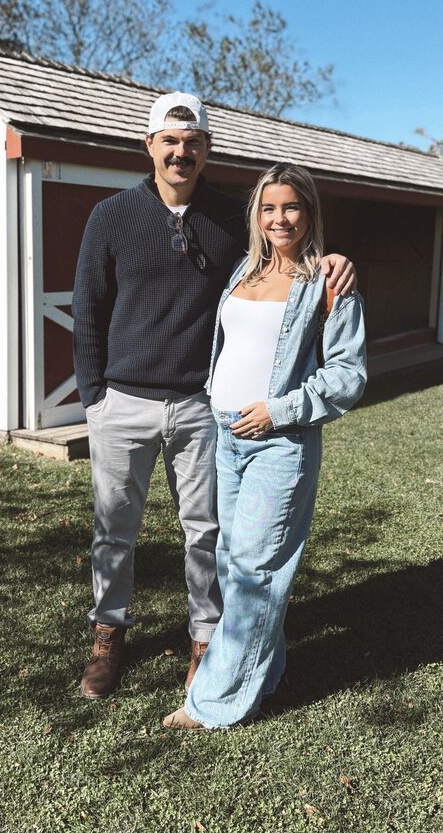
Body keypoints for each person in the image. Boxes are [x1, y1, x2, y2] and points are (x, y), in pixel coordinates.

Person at [72, 94, 357, 700]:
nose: (181, 151)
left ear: (206, 149)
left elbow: (284, 251)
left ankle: (208, 639)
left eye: (192, 141)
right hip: (122, 401)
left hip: (204, 407)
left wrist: (332, 259)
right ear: (149, 146)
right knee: (114, 529)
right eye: (169, 141)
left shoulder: (233, 218)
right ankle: (108, 635)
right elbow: (89, 312)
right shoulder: (111, 216)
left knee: (205, 532)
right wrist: (95, 396)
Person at [163, 162, 366, 729]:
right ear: (257, 213)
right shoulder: (241, 274)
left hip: (280, 443)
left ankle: (214, 704)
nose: (280, 217)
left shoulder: (328, 282)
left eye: (292, 206)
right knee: (235, 563)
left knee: (255, 571)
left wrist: (278, 409)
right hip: (224, 434)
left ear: (309, 213)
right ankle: (265, 673)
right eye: (269, 207)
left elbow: (348, 376)